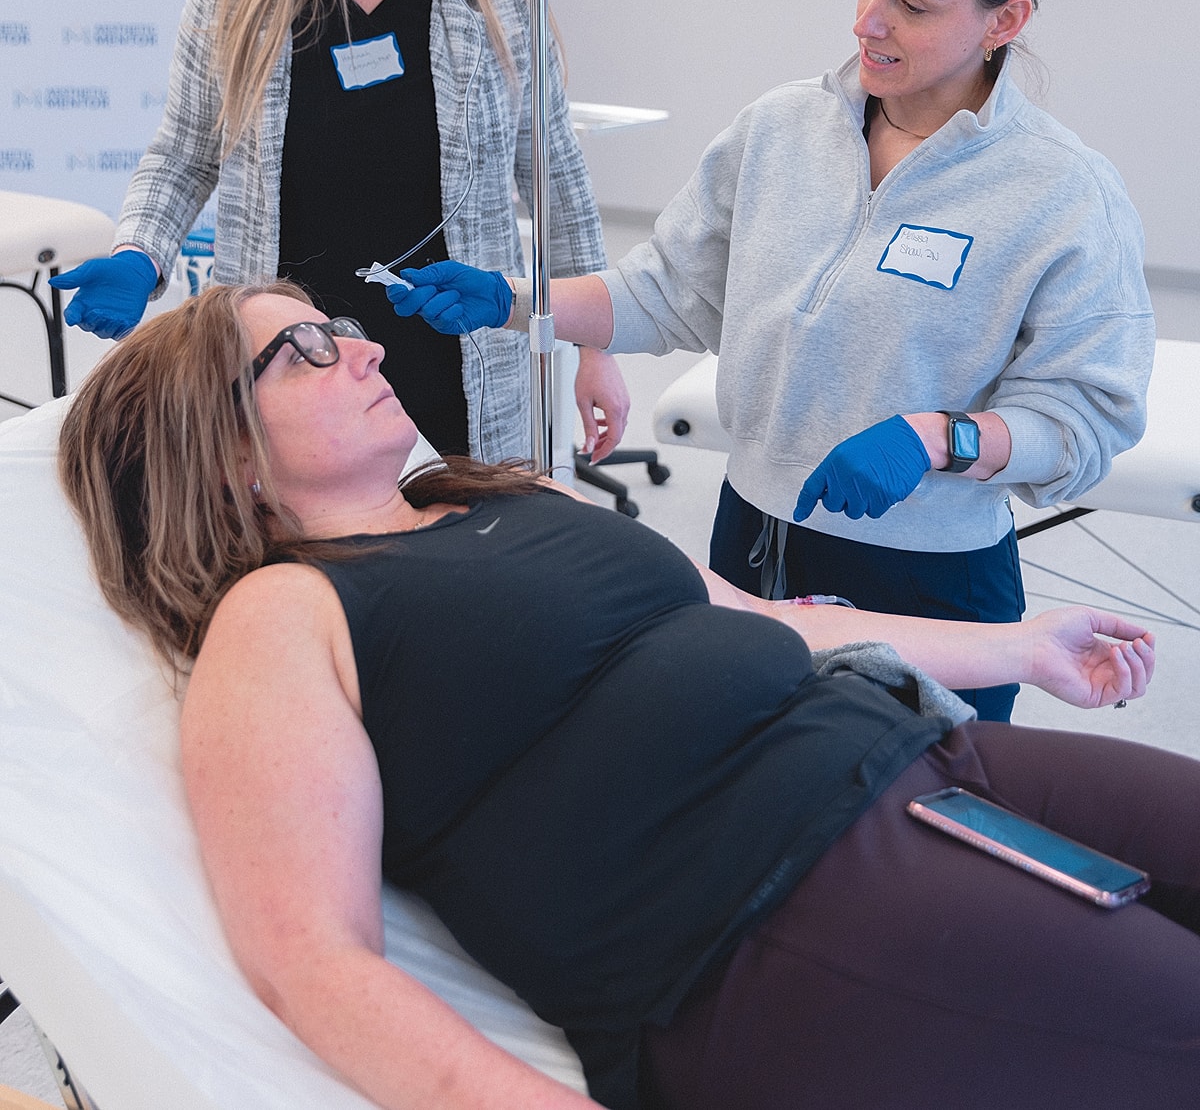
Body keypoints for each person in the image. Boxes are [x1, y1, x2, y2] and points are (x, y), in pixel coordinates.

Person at [58, 282, 1200, 1110]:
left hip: (920, 757)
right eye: (303, 351)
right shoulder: (282, 614)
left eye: (339, 328)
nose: (362, 352)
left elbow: (767, 621)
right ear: (226, 458)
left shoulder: (510, 488)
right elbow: (312, 955)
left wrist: (1024, 646)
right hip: (766, 921)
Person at [386, 0, 1156, 719]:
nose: (868, 21)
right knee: (743, 802)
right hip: (751, 541)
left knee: (905, 829)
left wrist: (937, 438)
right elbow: (665, 291)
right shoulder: (784, 130)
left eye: (912, 3)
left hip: (930, 581)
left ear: (1004, 20)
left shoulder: (1060, 193)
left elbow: (1085, 421)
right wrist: (517, 301)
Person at [48, 0, 627, 465]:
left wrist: (595, 345)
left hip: (457, 358)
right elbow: (184, 150)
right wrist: (139, 252)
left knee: (463, 558)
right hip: (287, 358)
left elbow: (554, 179)